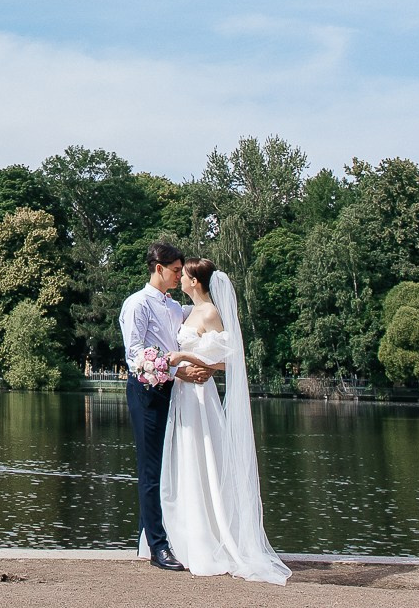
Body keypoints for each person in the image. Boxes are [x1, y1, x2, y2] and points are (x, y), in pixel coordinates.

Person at [156, 257, 292, 585]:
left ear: (195, 281)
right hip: (184, 395)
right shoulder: (188, 311)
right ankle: (187, 539)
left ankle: (210, 541)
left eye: (184, 274)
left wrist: (187, 358)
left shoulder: (211, 312)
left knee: (204, 460)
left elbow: (229, 362)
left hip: (201, 398)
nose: (180, 277)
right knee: (186, 462)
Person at [120, 241, 210, 571]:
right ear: (159, 268)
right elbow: (135, 356)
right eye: (175, 271)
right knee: (150, 468)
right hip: (146, 392)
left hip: (176, 392)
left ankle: (153, 537)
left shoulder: (173, 307)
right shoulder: (137, 304)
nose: (178, 276)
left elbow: (195, 325)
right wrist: (178, 370)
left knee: (170, 467)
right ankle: (158, 546)